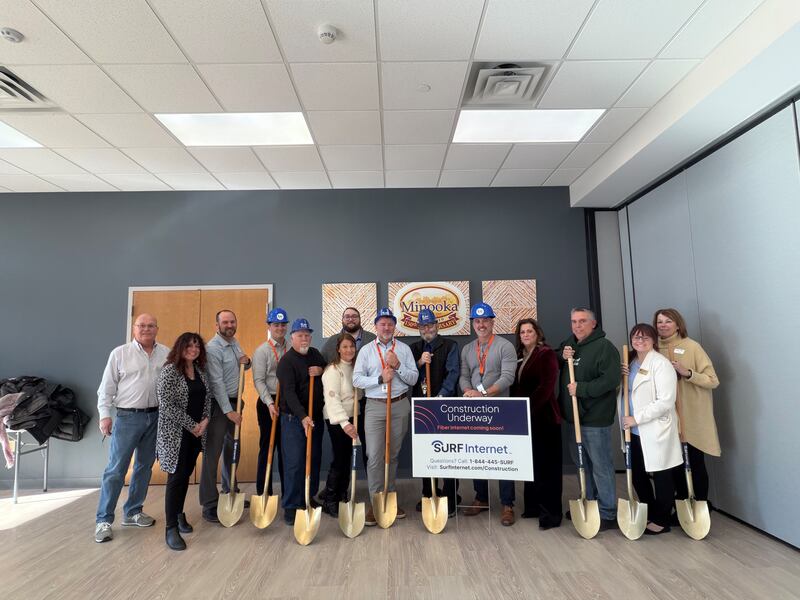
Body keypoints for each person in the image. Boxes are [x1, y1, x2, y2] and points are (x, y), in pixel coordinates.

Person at [94, 313, 169, 543]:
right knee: (116, 469)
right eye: (141, 325)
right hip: (128, 417)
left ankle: (133, 511)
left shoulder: (166, 353)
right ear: (134, 328)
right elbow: (106, 388)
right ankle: (104, 520)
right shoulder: (120, 353)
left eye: (151, 325)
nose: (146, 329)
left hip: (156, 417)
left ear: (157, 329)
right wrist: (104, 416)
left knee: (144, 467)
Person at [353, 308, 418, 526]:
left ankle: (390, 498)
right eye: (382, 324)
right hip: (375, 406)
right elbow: (356, 379)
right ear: (376, 326)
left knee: (392, 454)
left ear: (394, 326)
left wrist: (398, 366)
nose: (386, 327)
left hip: (399, 404)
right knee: (374, 455)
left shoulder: (404, 350)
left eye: (390, 323)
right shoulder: (366, 351)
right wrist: (379, 379)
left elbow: (413, 379)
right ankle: (376, 501)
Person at [557, 307, 621, 531]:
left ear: (593, 324)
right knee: (582, 464)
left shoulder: (605, 347)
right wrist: (561, 355)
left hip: (595, 419)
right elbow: (557, 356)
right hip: (573, 418)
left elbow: (611, 380)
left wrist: (582, 389)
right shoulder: (570, 344)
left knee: (601, 466)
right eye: (574, 321)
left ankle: (608, 512)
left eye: (582, 321)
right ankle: (590, 502)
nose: (577, 325)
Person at [653, 308, 720, 504]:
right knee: (674, 466)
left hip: (691, 417)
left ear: (677, 325)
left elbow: (712, 380)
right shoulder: (653, 349)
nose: (663, 325)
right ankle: (682, 506)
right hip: (666, 418)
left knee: (695, 462)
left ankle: (700, 505)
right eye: (659, 322)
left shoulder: (692, 347)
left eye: (668, 321)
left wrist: (688, 373)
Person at [460, 302, 518, 526]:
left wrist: (483, 394)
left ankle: (507, 504)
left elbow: (507, 377)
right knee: (478, 454)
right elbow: (464, 375)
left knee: (503, 456)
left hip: (500, 408)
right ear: (473, 324)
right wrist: (468, 391)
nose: (481, 324)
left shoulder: (505, 346)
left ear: (492, 322)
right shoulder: (468, 349)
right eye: (477, 321)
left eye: (485, 320)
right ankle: (481, 498)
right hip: (475, 409)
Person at [621, 323, 682, 534]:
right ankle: (650, 510)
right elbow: (628, 392)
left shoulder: (661, 364)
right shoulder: (630, 362)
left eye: (645, 338)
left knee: (662, 474)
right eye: (636, 337)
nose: (640, 341)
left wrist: (636, 419)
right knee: (637, 473)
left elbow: (665, 401)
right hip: (633, 430)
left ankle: (662, 519)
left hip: (654, 428)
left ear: (654, 340)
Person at [156, 332, 212, 550]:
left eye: (197, 346)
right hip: (175, 434)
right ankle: (171, 528)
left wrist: (205, 421)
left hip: (196, 433)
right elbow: (166, 404)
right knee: (176, 477)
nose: (193, 349)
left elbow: (207, 399)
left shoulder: (200, 371)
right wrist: (192, 425)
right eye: (189, 346)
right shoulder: (170, 371)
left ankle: (179, 514)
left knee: (186, 474)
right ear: (180, 347)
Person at [199, 310, 251, 523]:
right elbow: (216, 382)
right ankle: (209, 503)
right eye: (225, 322)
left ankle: (230, 490)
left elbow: (240, 365)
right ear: (217, 325)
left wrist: (247, 362)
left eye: (232, 321)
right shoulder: (213, 348)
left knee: (233, 449)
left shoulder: (234, 342)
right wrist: (228, 411)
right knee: (212, 454)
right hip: (220, 406)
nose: (229, 325)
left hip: (236, 402)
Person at [511, 318, 562, 530]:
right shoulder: (520, 356)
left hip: (545, 418)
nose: (525, 335)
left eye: (529, 331)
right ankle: (532, 507)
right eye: (522, 332)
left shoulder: (546, 353)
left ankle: (550, 515)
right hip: (526, 419)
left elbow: (546, 387)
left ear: (537, 333)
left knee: (547, 469)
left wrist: (526, 409)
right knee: (531, 465)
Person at [409, 308, 460, 516]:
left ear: (437, 326)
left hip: (444, 406)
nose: (426, 329)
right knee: (425, 452)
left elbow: (453, 373)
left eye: (430, 325)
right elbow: (408, 374)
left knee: (447, 452)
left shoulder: (450, 346)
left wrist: (440, 397)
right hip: (422, 408)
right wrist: (420, 362)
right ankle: (428, 493)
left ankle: (450, 495)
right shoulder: (413, 349)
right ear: (419, 328)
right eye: (423, 326)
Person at [276, 318, 326, 526]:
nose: (304, 338)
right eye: (300, 335)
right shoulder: (286, 362)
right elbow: (288, 394)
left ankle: (308, 496)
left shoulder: (315, 354)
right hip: (294, 420)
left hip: (315, 418)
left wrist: (321, 370)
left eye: (307, 335)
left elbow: (327, 368)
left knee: (313, 459)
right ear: (292, 337)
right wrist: (302, 416)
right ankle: (291, 505)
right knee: (295, 463)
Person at [320, 333, 360, 516]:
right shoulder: (333, 370)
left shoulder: (356, 367)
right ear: (338, 349)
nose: (349, 350)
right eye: (345, 347)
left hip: (354, 416)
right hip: (338, 420)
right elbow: (332, 400)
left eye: (351, 346)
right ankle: (329, 499)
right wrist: (345, 424)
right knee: (340, 458)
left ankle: (343, 493)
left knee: (348, 457)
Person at [252, 308, 289, 499]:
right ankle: (264, 491)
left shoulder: (291, 348)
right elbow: (258, 380)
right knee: (267, 447)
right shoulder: (262, 351)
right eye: (276, 325)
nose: (280, 328)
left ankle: (287, 493)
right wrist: (269, 403)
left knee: (286, 449)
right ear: (269, 326)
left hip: (287, 402)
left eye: (283, 325)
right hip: (268, 403)